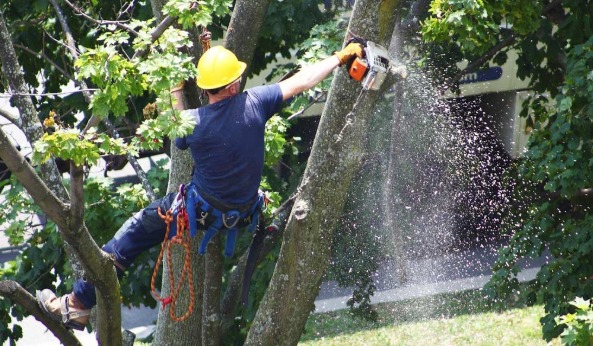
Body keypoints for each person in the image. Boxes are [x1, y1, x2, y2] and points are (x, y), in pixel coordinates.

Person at [36, 43, 363, 330]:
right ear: (234, 84)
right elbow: (302, 80)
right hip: (243, 215)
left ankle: (78, 304)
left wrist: (175, 86)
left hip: (199, 213)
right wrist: (339, 56)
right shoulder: (257, 102)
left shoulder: (194, 122)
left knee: (131, 235)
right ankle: (79, 304)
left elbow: (177, 124)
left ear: (205, 88)